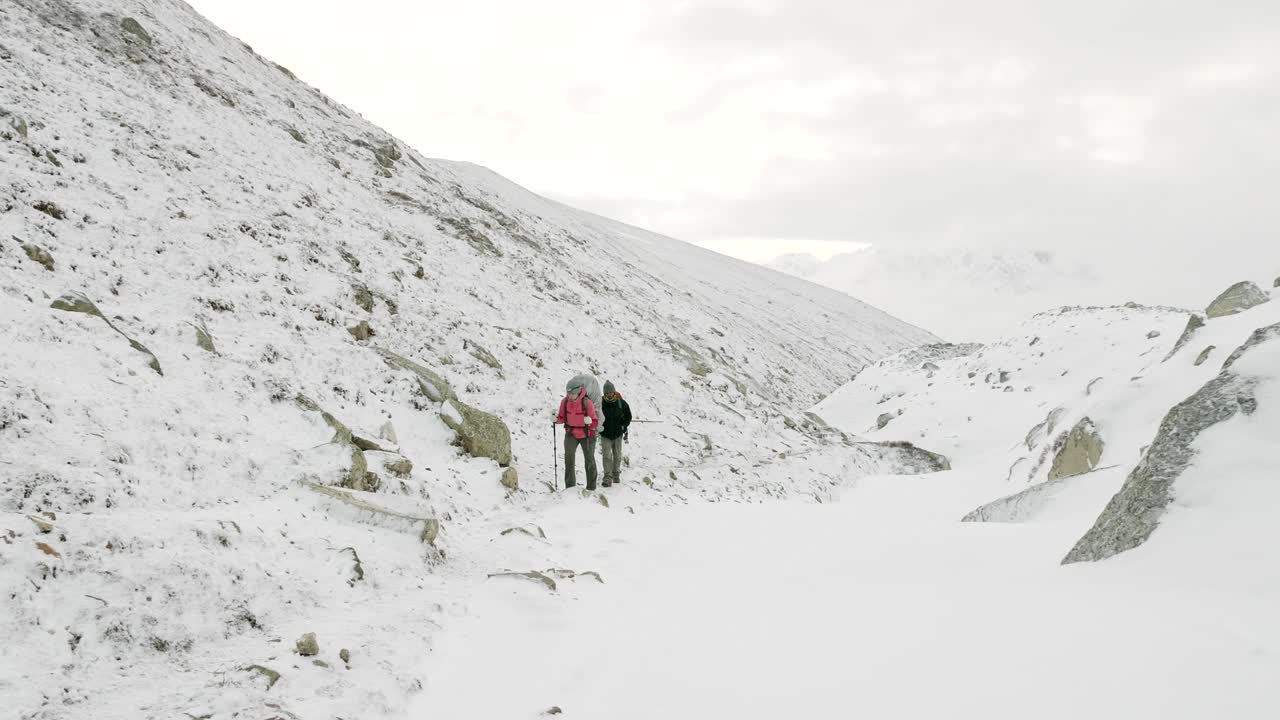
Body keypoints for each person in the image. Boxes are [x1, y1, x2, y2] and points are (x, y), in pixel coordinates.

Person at [555, 382, 599, 490]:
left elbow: (595, 422)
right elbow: (562, 417)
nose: (569, 396)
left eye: (572, 393)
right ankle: (570, 487)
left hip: (587, 434)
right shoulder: (564, 402)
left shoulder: (587, 403)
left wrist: (590, 422)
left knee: (589, 460)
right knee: (568, 459)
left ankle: (591, 487)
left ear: (578, 392)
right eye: (568, 393)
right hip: (571, 433)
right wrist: (556, 419)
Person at [598, 380, 632, 487]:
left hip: (617, 434)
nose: (608, 394)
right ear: (604, 393)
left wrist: (623, 426)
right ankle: (607, 477)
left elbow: (628, 416)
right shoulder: (600, 403)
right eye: (606, 393)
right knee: (607, 456)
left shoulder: (621, 403)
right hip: (605, 434)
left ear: (614, 392)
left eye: (610, 392)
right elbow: (595, 415)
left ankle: (616, 474)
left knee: (617, 455)